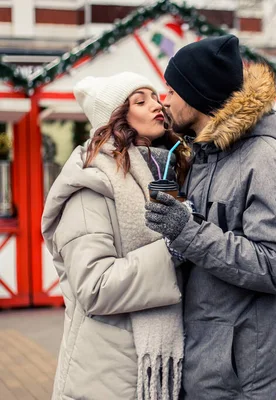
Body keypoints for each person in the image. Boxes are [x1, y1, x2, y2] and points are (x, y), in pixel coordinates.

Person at [144, 34, 276, 399]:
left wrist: (187, 232)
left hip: (237, 379)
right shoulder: (202, 158)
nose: (165, 100)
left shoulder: (267, 160)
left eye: (172, 90)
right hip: (199, 366)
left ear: (197, 95)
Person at [41, 72, 191, 400]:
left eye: (155, 96)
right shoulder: (91, 187)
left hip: (145, 368)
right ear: (116, 120)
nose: (157, 104)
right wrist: (174, 248)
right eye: (140, 100)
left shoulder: (164, 173)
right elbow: (94, 287)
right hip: (104, 374)